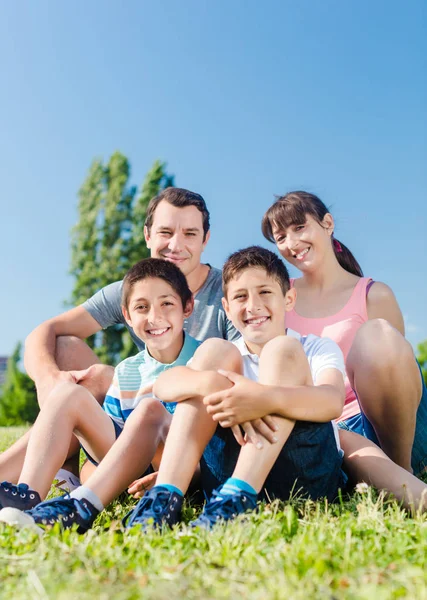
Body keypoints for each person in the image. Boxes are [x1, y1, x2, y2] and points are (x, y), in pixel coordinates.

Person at [0, 187, 238, 488]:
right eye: (165, 232)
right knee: (70, 352)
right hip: (136, 418)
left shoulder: (229, 294)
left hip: (195, 429)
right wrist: (50, 381)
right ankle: (66, 470)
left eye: (190, 233)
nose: (176, 245)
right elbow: (45, 332)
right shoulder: (133, 289)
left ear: (205, 239)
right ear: (147, 235)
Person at [114, 246, 348, 530]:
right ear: (226, 307)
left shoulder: (314, 347)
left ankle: (241, 493)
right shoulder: (225, 353)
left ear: (289, 299)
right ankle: (166, 497)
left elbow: (332, 401)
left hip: (305, 470)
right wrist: (210, 382)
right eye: (240, 296)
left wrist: (263, 399)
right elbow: (164, 385)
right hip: (225, 474)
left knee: (282, 349)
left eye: (265, 292)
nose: (253, 305)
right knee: (214, 351)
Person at [0, 258, 201, 529]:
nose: (154, 317)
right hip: (127, 464)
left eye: (167, 304)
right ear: (127, 316)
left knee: (149, 411)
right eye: (141, 308)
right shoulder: (127, 370)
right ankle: (28, 496)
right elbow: (107, 444)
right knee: (68, 394)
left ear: (187, 307)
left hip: (179, 465)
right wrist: (93, 474)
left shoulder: (204, 358)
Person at [261, 191, 427, 479]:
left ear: (328, 223)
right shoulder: (278, 295)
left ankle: (402, 475)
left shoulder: (374, 294)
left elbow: (399, 376)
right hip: (322, 436)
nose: (292, 243)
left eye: (300, 227)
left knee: (378, 335)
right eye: (281, 237)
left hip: (389, 430)